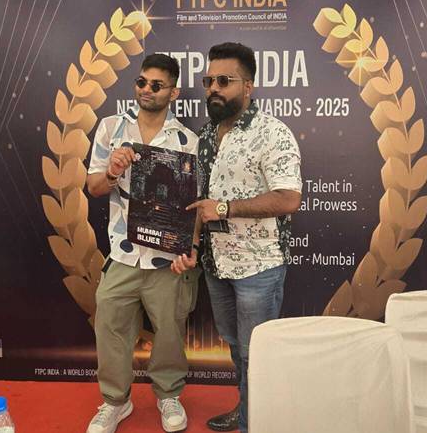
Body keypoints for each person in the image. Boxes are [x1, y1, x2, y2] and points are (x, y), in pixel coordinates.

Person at [171, 42, 302, 433]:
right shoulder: (206, 135)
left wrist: (226, 208)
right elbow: (201, 200)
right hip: (216, 265)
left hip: (258, 268)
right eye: (208, 80)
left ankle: (254, 425)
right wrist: (194, 245)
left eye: (224, 81)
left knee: (255, 355)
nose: (213, 88)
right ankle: (248, 412)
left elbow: (288, 198)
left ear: (248, 86)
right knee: (235, 347)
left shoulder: (273, 133)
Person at [86, 53, 199, 433]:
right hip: (123, 252)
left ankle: (169, 395)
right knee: (110, 327)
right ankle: (115, 401)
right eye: (141, 82)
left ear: (173, 92)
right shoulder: (111, 128)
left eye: (156, 85)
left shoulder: (187, 141)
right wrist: (113, 171)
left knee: (169, 331)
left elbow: (194, 205)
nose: (146, 90)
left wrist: (190, 248)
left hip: (167, 258)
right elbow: (94, 187)